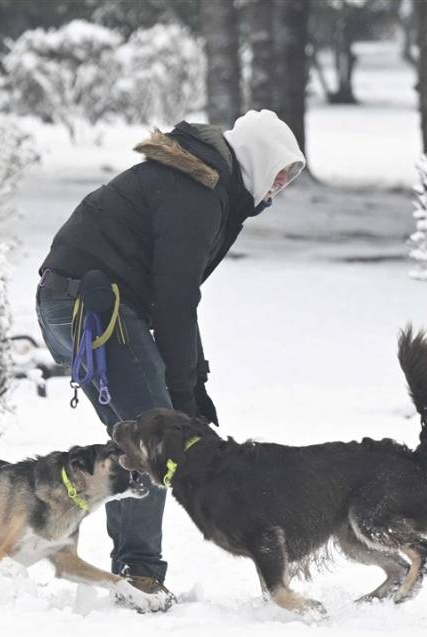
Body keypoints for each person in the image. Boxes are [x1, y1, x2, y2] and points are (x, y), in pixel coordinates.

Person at [35, 109, 306, 608]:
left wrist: (194, 386)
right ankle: (137, 574)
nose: (281, 185)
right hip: (94, 307)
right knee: (155, 437)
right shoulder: (196, 195)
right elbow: (175, 303)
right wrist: (182, 401)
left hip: (77, 302)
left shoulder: (207, 189)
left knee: (134, 434)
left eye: (291, 177)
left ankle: (118, 568)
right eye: (280, 171)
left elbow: (178, 303)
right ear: (257, 159)